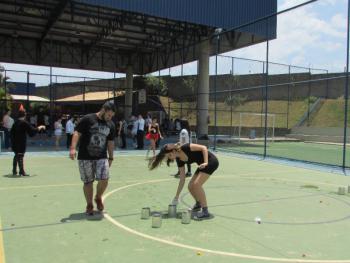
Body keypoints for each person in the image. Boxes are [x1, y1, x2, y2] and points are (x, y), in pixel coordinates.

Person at [148, 143, 219, 220]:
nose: (170, 158)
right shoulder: (179, 160)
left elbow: (204, 147)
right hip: (202, 165)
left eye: (169, 156)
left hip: (210, 161)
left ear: (173, 151)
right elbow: (182, 179)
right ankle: (198, 204)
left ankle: (205, 211)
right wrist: (176, 196)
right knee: (190, 186)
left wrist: (205, 162)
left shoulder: (185, 147)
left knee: (196, 184)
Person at [69, 101, 116, 215]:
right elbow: (77, 133)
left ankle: (98, 197)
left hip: (102, 157)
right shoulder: (88, 119)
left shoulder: (110, 125)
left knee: (104, 178)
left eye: (112, 116)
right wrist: (73, 148)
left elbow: (110, 142)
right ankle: (89, 204)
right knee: (88, 182)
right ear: (103, 110)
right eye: (109, 115)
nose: (110, 118)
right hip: (85, 156)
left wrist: (111, 157)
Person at [10, 107, 46, 176]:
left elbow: (11, 133)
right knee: (20, 156)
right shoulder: (24, 123)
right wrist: (40, 127)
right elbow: (32, 131)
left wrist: (12, 142)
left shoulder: (15, 123)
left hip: (14, 142)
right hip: (21, 142)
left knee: (16, 155)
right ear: (24, 115)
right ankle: (22, 171)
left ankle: (14, 170)